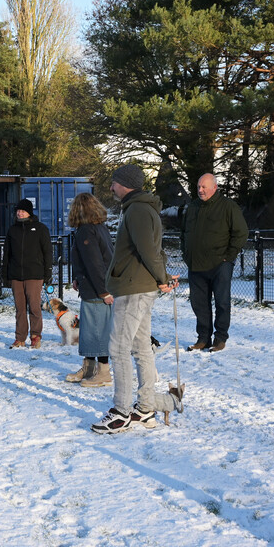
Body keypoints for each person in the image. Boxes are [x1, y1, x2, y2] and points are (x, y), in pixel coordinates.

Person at [91, 165, 182, 434]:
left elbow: (150, 251)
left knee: (118, 348)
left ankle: (121, 412)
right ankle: (144, 409)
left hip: (134, 289)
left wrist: (163, 278)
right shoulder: (138, 208)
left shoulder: (138, 210)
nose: (111, 187)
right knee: (141, 348)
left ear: (125, 183)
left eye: (114, 182)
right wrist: (163, 276)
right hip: (136, 287)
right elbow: (153, 251)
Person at [180, 173, 249, 352]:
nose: (200, 190)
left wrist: (229, 255)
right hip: (196, 264)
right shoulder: (193, 207)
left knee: (222, 302)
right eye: (198, 187)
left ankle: (220, 338)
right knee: (199, 304)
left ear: (214, 187)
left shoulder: (228, 206)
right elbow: (184, 233)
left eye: (204, 187)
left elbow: (241, 232)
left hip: (220, 264)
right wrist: (186, 254)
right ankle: (203, 338)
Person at [65, 193, 114, 386]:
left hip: (96, 290)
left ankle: (103, 373)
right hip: (95, 286)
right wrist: (78, 277)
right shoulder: (100, 227)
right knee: (89, 330)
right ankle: (89, 367)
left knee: (97, 332)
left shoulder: (86, 231)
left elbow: (95, 264)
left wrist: (103, 291)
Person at [1, 199, 52, 349]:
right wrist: (5, 275)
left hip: (34, 275)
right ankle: (20, 338)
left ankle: (35, 336)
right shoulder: (12, 230)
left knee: (34, 307)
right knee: (20, 309)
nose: (20, 213)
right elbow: (6, 254)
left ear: (29, 212)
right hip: (16, 275)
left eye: (22, 211)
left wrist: (48, 272)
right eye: (18, 210)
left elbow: (48, 252)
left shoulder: (40, 229)